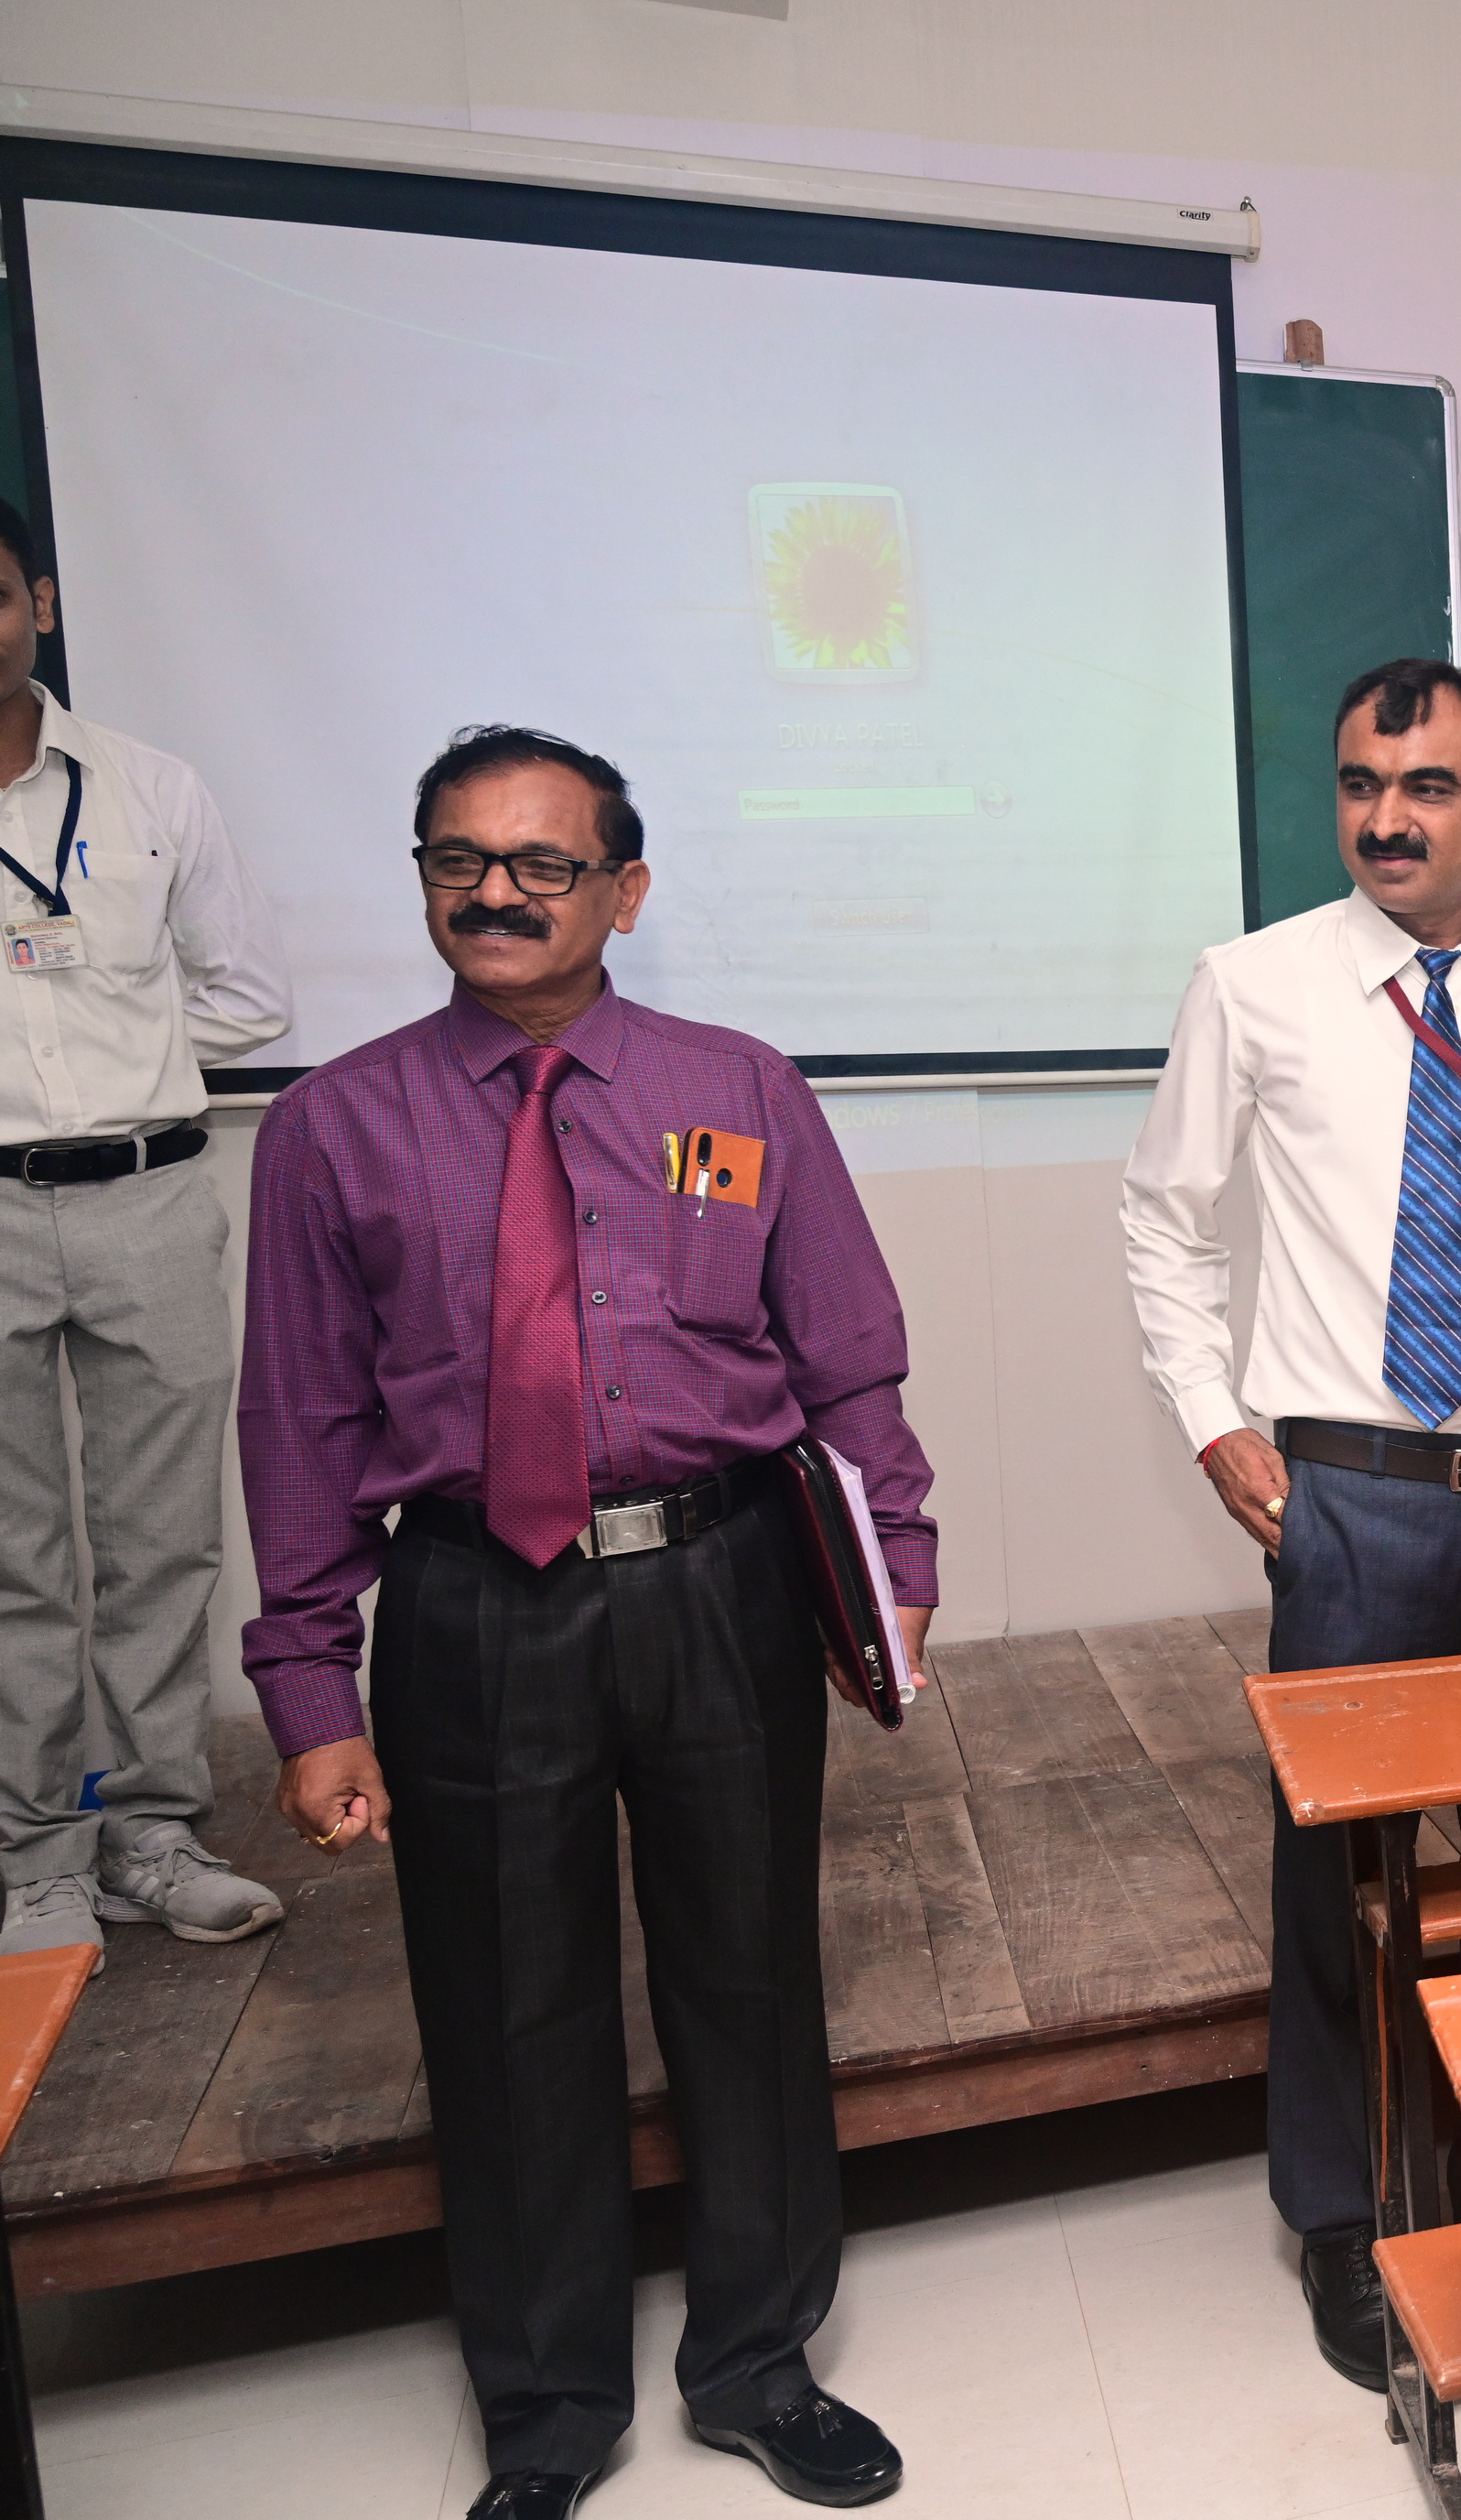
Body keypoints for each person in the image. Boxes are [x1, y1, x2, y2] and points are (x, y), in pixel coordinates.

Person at [241, 727, 934, 2518]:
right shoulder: (332, 1127)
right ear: (422, 879)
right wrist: (309, 1684)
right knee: (504, 2006)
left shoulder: (740, 1091)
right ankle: (547, 2405)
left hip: (721, 1581)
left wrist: (895, 1563)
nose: (497, 892)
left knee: (748, 1978)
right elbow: (300, 1419)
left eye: (542, 863)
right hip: (474, 1600)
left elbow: (847, 1356)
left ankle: (759, 2361)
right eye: (458, 859)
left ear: (622, 892)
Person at [1119, 658, 1461, 2393]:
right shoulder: (1256, 983)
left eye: (1428, 785)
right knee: (1339, 1881)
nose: (1386, 818)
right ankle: (1346, 2212)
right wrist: (1213, 1417)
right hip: (1355, 1498)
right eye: (1362, 782)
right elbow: (1164, 1217)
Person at [0, 497, 293, 1961]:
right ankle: (35, 1857)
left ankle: (153, 1834)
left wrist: (127, 1057)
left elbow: (252, 997)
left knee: (162, 1541)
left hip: (151, 1190)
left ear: (38, 605)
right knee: (14, 1555)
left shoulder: (151, 787)